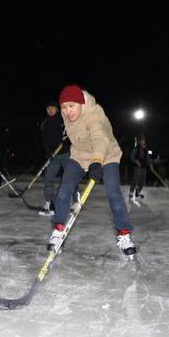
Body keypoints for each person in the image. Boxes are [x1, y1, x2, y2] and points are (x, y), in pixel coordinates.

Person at [47, 85, 136, 258]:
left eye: (72, 106)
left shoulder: (95, 115)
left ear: (80, 103)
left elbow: (100, 139)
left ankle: (124, 234)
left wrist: (96, 162)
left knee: (113, 192)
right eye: (64, 107)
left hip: (106, 154)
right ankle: (58, 230)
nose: (68, 111)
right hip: (80, 156)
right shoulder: (67, 116)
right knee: (64, 190)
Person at [39, 100, 71, 216]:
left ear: (56, 109)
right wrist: (49, 154)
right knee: (48, 178)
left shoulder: (63, 119)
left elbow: (72, 132)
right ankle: (49, 202)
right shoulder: (46, 123)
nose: (50, 110)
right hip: (53, 156)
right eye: (48, 108)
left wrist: (68, 139)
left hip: (66, 154)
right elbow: (45, 141)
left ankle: (73, 202)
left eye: (52, 107)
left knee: (70, 178)